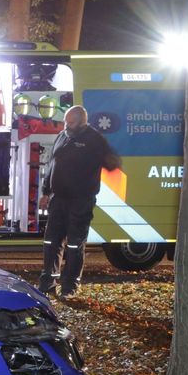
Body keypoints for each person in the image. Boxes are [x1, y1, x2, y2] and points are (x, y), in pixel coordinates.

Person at [38, 105, 121, 298]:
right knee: (51, 241)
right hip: (58, 199)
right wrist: (45, 192)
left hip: (80, 200)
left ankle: (70, 286)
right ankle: (48, 282)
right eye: (66, 121)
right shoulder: (63, 136)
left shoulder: (95, 139)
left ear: (83, 121)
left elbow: (112, 162)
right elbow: (52, 165)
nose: (67, 125)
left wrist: (109, 161)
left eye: (71, 122)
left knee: (75, 244)